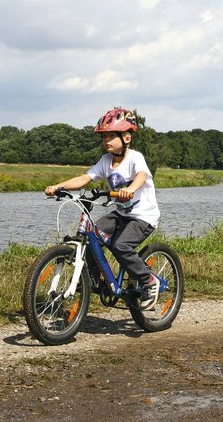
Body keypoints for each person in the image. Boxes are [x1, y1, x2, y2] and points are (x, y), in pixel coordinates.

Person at [44, 107, 162, 309]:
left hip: (143, 216)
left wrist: (130, 189)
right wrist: (59, 186)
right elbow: (85, 178)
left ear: (126, 138)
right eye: (104, 136)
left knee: (120, 246)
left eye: (111, 136)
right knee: (93, 235)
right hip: (121, 214)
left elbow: (142, 176)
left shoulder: (135, 157)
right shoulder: (105, 160)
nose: (106, 140)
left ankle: (148, 281)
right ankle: (93, 280)